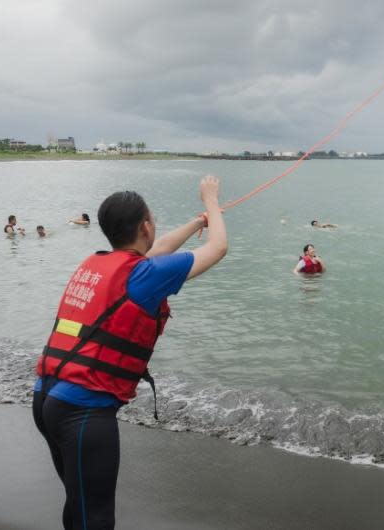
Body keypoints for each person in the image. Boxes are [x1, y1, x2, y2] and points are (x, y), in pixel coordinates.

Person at [32, 176, 227, 529]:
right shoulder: (144, 275)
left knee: (80, 507)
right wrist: (211, 199)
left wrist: (200, 221)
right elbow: (218, 250)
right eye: (152, 221)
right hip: (83, 412)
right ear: (145, 226)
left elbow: (162, 247)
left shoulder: (100, 264)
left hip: (46, 397)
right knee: (96, 518)